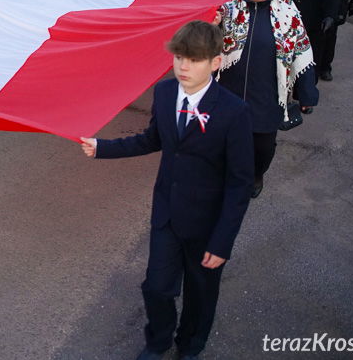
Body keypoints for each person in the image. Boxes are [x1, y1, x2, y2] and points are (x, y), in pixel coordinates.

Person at [79, 20, 254, 360]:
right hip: (168, 214)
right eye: (179, 58)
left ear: (215, 62)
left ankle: (191, 344)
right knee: (156, 287)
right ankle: (158, 340)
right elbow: (152, 139)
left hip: (207, 224)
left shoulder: (234, 112)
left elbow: (239, 183)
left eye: (195, 59)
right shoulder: (164, 93)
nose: (184, 66)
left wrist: (222, 241)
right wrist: (103, 147)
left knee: (201, 293)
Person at [213, 0, 318, 198]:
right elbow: (207, 42)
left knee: (263, 147)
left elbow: (302, 53)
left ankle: (256, 174)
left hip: (267, 94)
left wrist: (307, 94)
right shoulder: (227, 10)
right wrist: (214, 23)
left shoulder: (288, 15)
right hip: (230, 91)